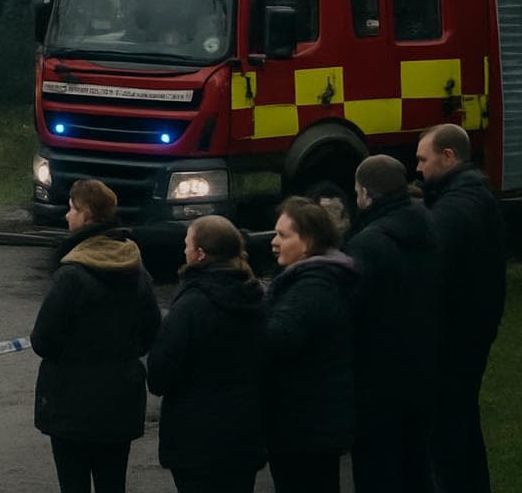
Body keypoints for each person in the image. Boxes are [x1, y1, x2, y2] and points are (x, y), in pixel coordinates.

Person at [31, 179, 160, 493]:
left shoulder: (71, 275)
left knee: (73, 483)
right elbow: (151, 330)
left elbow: (42, 340)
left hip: (71, 402)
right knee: (113, 482)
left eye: (72, 209)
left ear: (86, 215)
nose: (67, 216)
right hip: (121, 399)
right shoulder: (136, 270)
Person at [415, 123, 508, 493]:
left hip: (456, 337)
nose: (418, 168)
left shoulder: (453, 210)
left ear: (448, 156)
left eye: (423, 159)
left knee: (450, 431)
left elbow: (429, 267)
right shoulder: (474, 194)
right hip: (473, 329)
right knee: (464, 421)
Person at [146, 215, 266, 493]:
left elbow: (160, 373)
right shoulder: (256, 299)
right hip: (244, 434)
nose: (184, 249)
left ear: (200, 254)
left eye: (187, 243)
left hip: (195, 440)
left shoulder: (191, 305)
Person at [343, 154, 442, 493]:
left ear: (366, 194)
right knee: (416, 464)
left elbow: (353, 307)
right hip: (421, 366)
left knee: (377, 470)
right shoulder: (426, 225)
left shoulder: (368, 243)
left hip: (377, 379)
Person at [265, 196, 358, 492]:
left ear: (307, 242)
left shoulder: (313, 287)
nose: (274, 242)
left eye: (283, 235)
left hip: (305, 424)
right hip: (309, 420)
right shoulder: (311, 279)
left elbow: (275, 339)